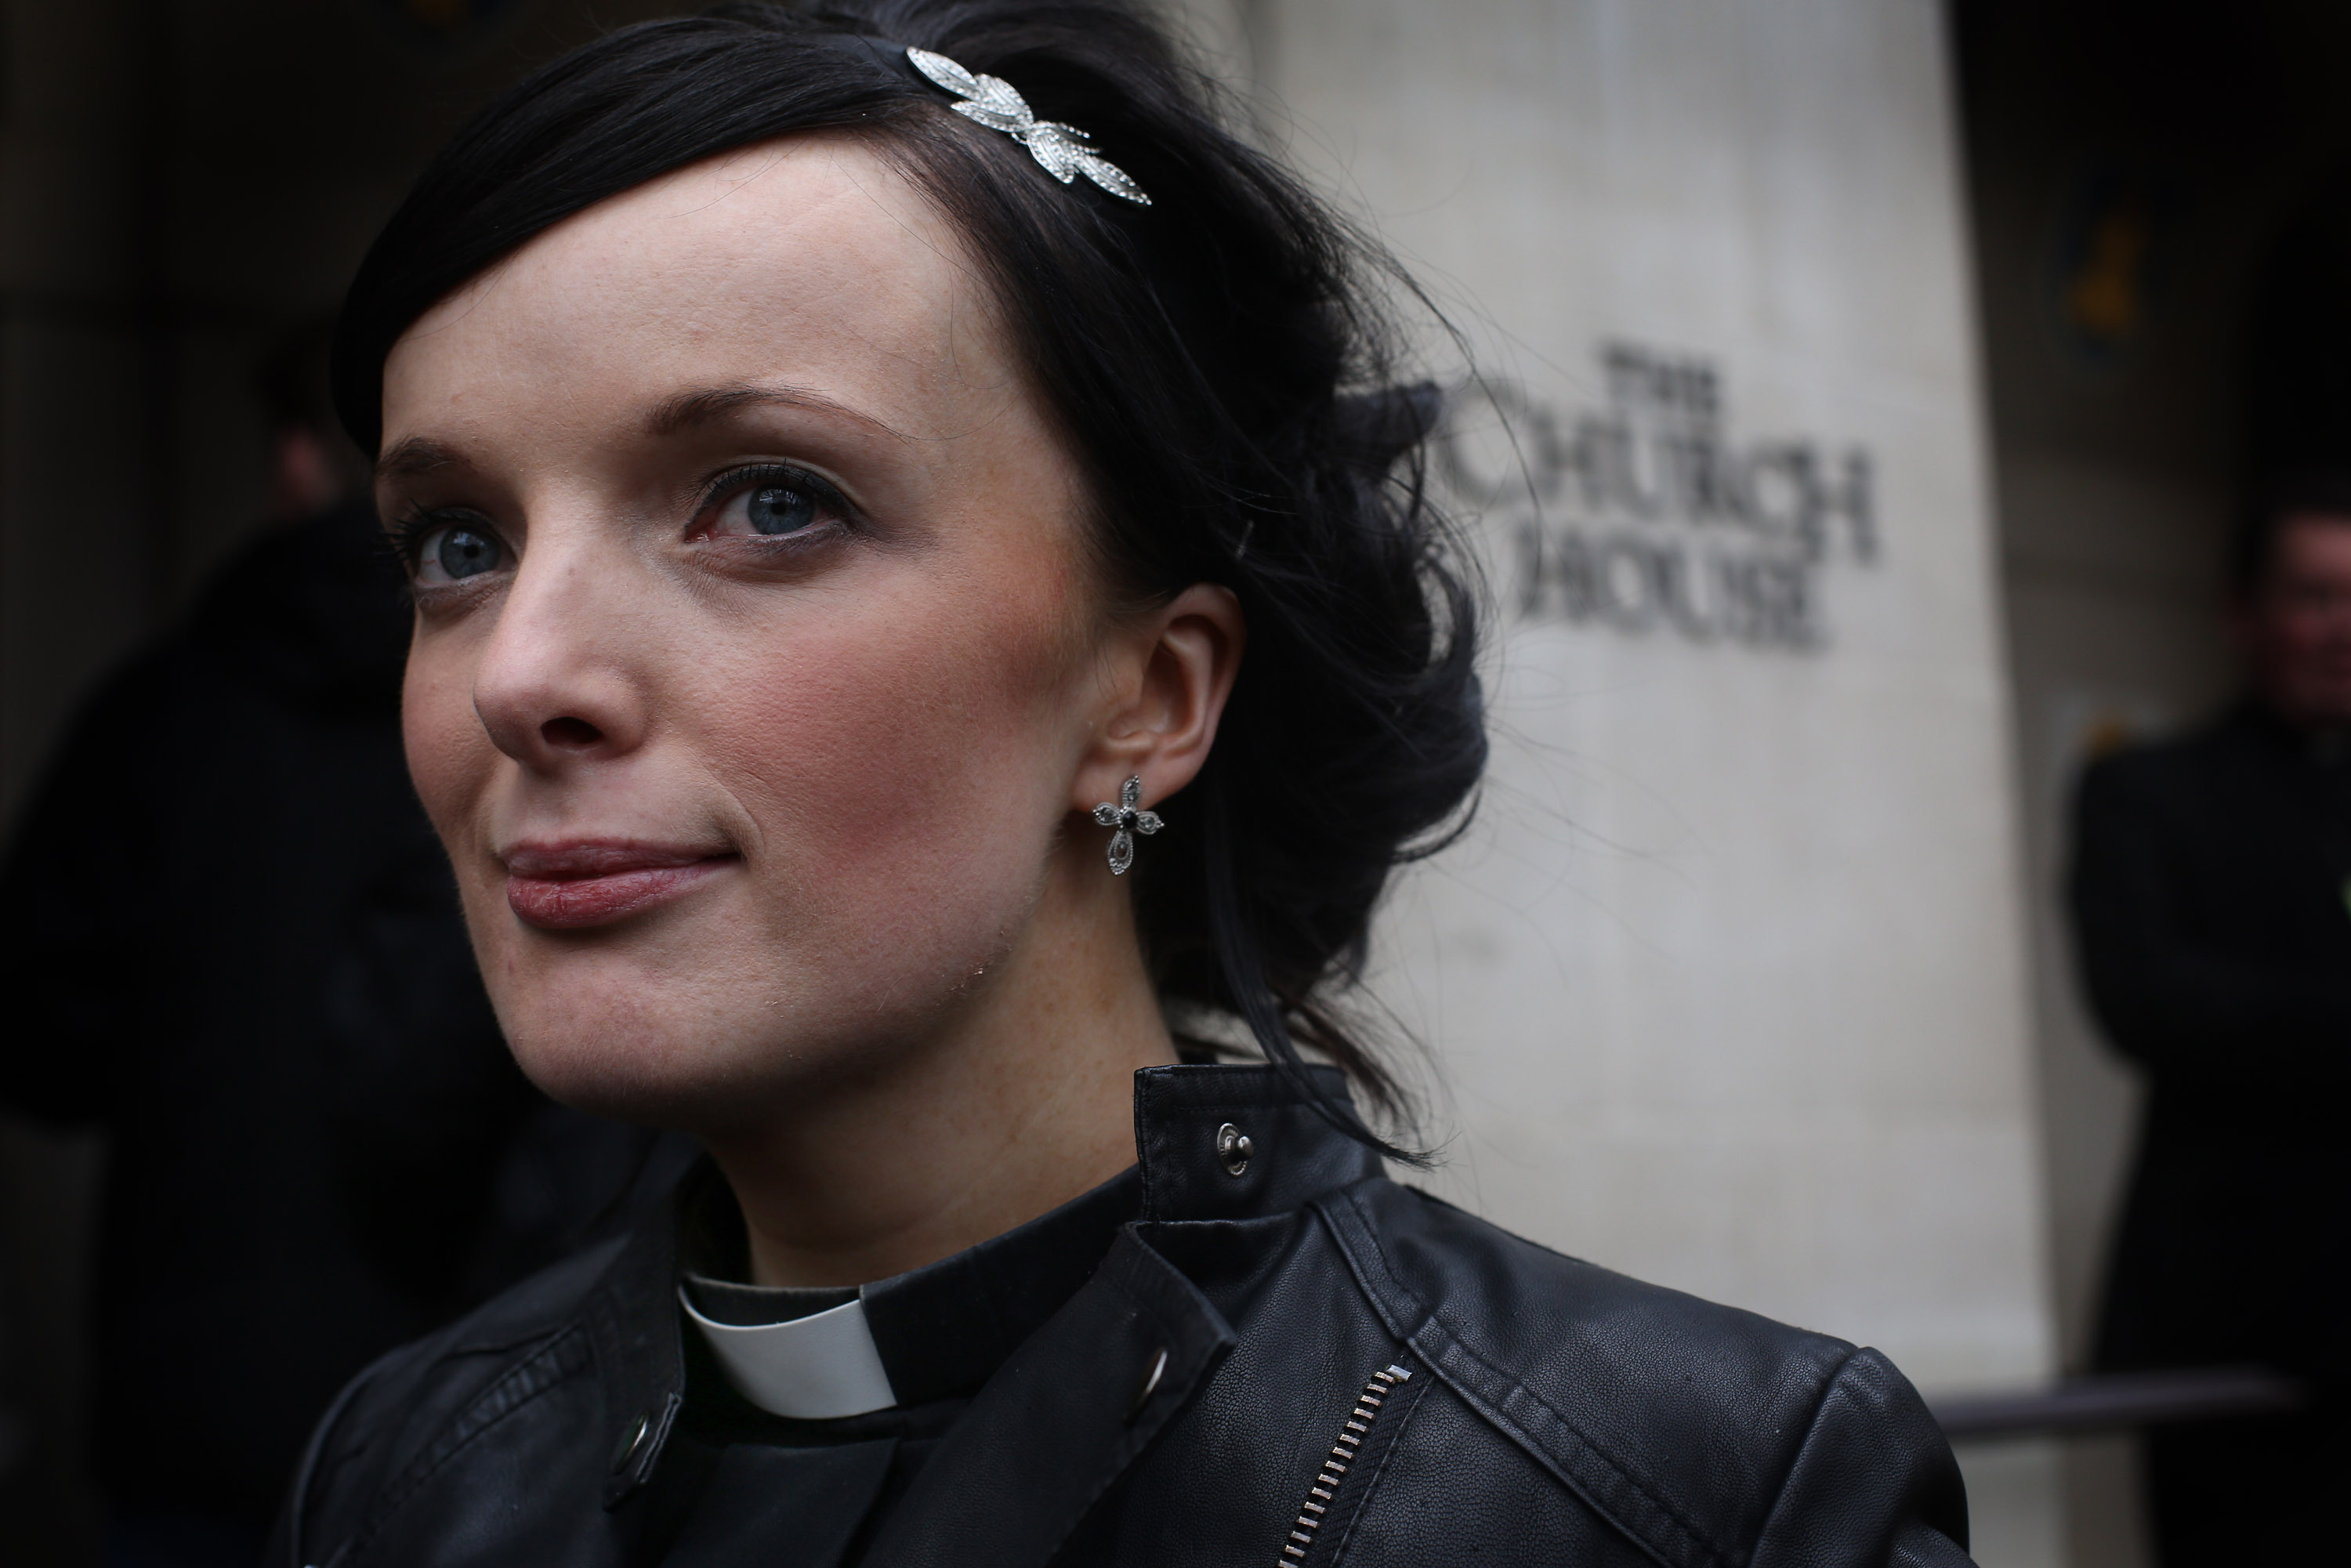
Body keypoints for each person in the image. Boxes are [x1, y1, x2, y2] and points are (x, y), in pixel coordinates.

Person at [273, 5, 1972, 1564]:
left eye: (771, 501)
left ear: (1150, 696)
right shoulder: (407, 1475)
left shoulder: (1699, 1499)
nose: (519, 673)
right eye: (459, 542)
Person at [0, 325, 683, 1566]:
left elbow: (44, 1039)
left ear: (302, 458)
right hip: (503, 1405)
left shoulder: (168, 712)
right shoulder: (544, 713)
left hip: (203, 1398)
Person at [2069, 470, 2351, 1565]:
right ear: (2244, 614)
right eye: (2314, 595)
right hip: (2241, 1341)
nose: (2342, 628)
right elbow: (2154, 1001)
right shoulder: (2146, 793)